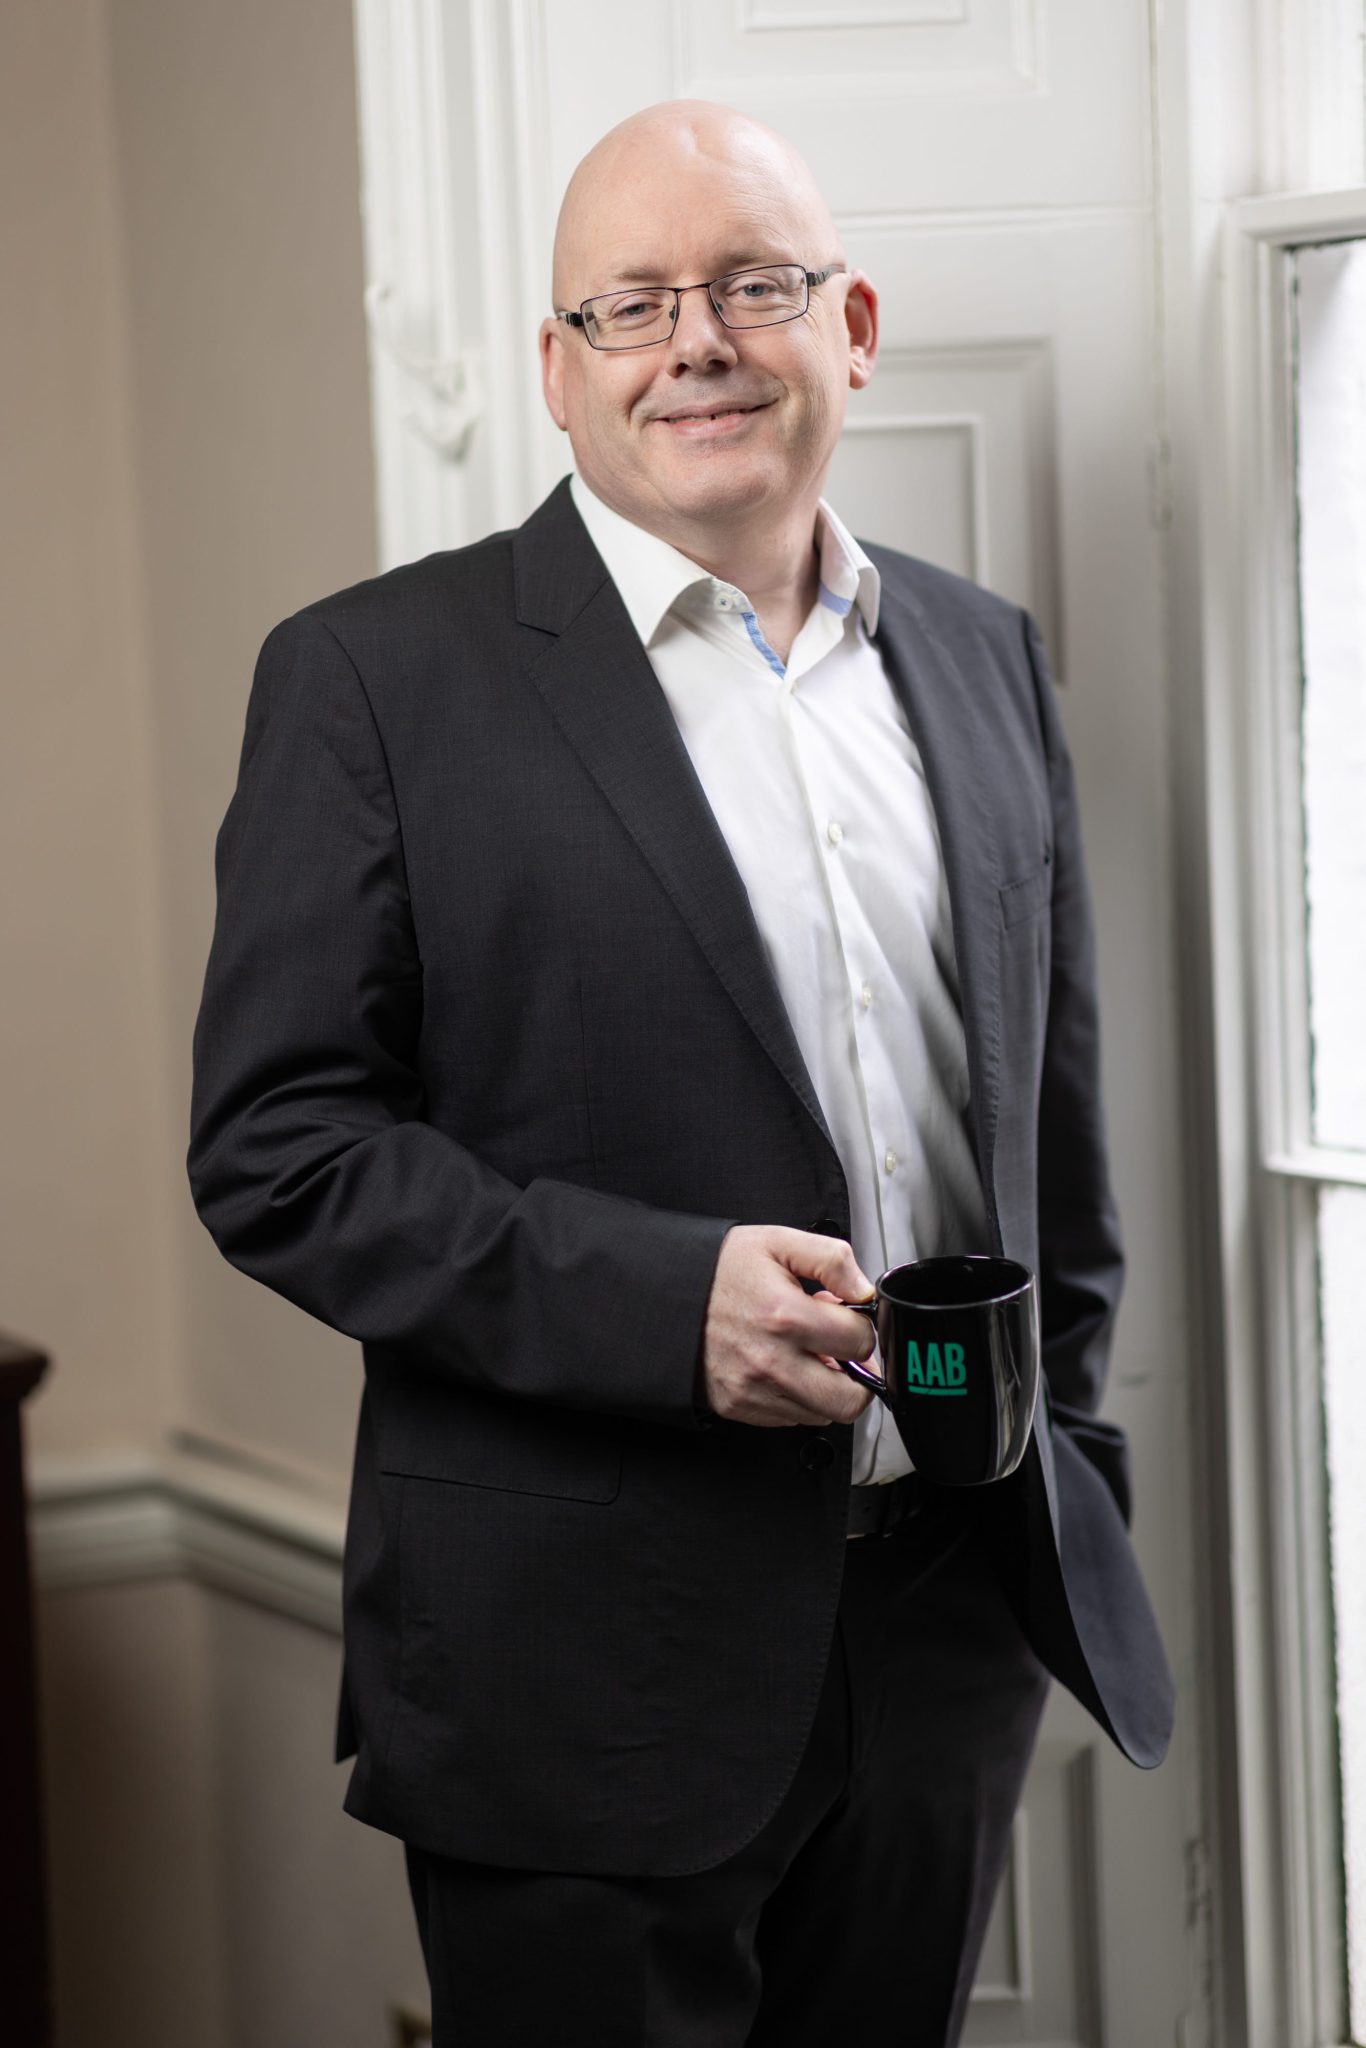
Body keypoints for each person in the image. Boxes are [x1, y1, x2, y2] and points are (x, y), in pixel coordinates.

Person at [187, 99, 1174, 2047]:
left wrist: (1053, 1473)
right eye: (629, 304)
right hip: (576, 1671)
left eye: (751, 285)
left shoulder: (978, 654)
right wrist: (661, 1303)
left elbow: (1044, 1146)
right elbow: (278, 1151)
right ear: (559, 371)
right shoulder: (372, 679)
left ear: (850, 328)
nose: (695, 342)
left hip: (943, 1631)